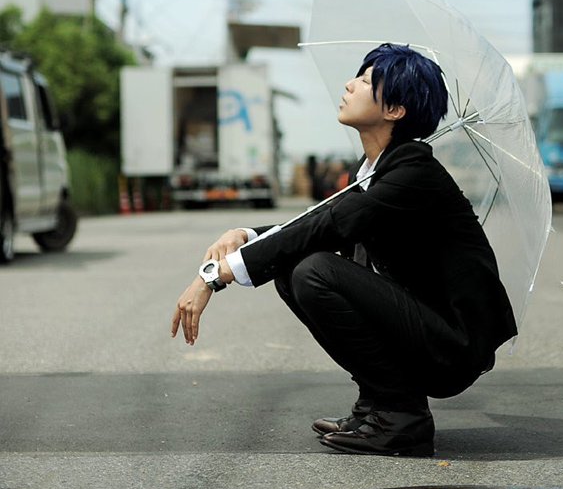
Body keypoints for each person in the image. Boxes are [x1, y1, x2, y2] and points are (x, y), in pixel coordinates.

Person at [171, 43, 517, 457]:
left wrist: (214, 277)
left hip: (452, 346)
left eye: (367, 81)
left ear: (395, 110)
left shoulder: (412, 173)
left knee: (315, 271)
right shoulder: (378, 170)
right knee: (292, 267)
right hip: (424, 327)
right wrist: (244, 234)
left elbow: (329, 226)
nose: (351, 85)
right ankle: (376, 403)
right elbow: (318, 222)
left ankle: (401, 416)